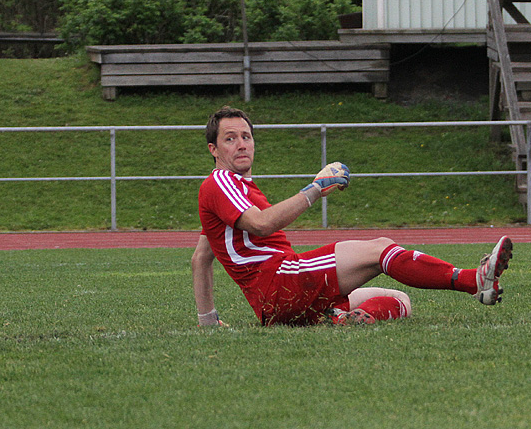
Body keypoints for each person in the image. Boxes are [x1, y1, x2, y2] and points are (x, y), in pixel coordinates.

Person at [191, 106, 513, 327]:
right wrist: (315, 189)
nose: (241, 144)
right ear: (213, 150)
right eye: (230, 138)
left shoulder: (232, 189)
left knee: (399, 301)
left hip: (277, 305)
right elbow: (262, 224)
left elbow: (201, 258)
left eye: (246, 136)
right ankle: (474, 280)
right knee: (380, 249)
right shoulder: (220, 182)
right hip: (282, 281)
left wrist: (208, 322)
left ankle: (342, 319)